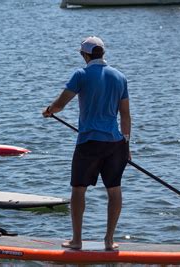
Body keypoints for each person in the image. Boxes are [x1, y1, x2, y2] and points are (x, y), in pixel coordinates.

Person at [42, 36, 131, 251]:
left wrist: (49, 110)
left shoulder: (81, 74)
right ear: (103, 53)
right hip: (116, 143)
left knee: (79, 189)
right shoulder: (120, 77)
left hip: (89, 141)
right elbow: (126, 115)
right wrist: (126, 145)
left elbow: (61, 103)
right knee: (114, 189)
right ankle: (109, 241)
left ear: (85, 55)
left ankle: (77, 240)